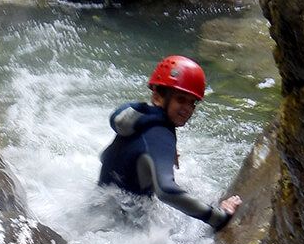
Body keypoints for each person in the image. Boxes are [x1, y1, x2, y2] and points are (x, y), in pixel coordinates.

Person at [99, 55, 242, 231]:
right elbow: (166, 191)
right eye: (181, 99)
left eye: (193, 103)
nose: (188, 109)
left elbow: (105, 156)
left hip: (101, 212)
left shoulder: (139, 121)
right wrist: (219, 216)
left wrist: (149, 160)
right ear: (158, 96)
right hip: (126, 229)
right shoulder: (160, 134)